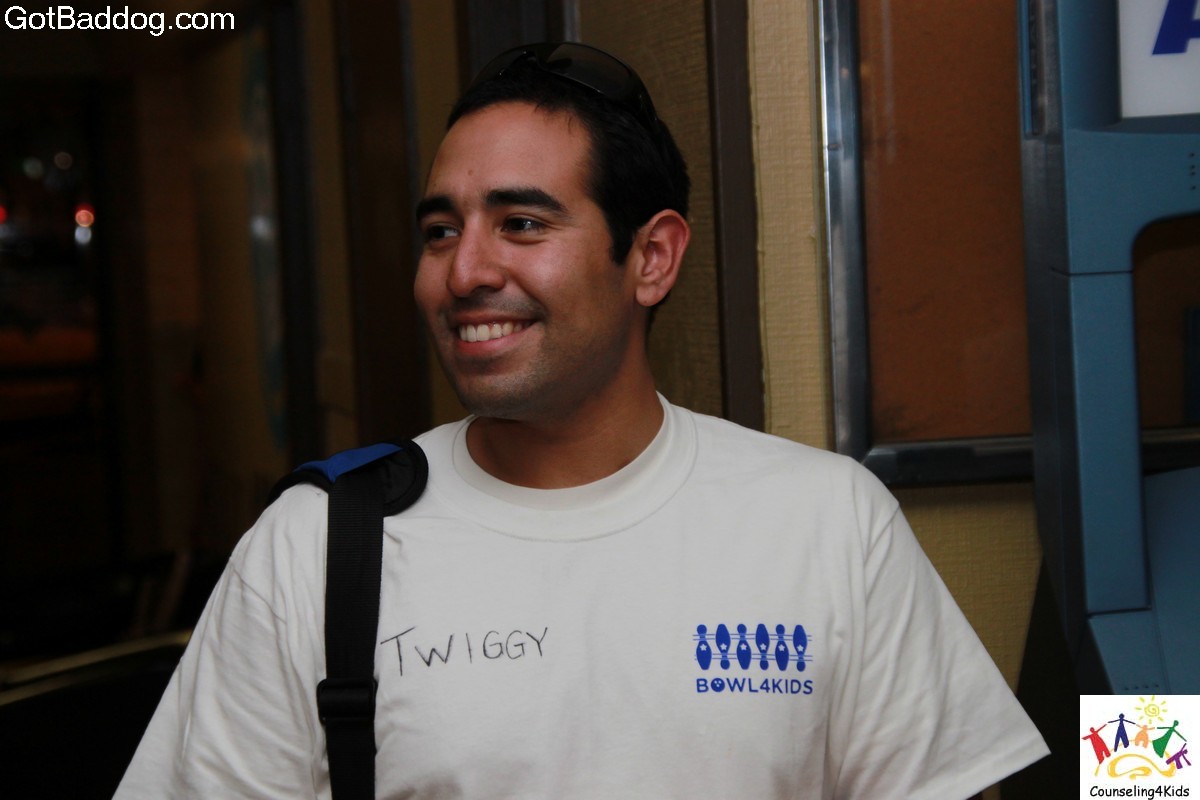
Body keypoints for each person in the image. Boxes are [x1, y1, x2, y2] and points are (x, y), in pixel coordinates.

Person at [116, 41, 1048, 798]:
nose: (465, 271)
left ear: (652, 258)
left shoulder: (826, 522)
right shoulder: (316, 548)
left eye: (521, 224)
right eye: (441, 231)